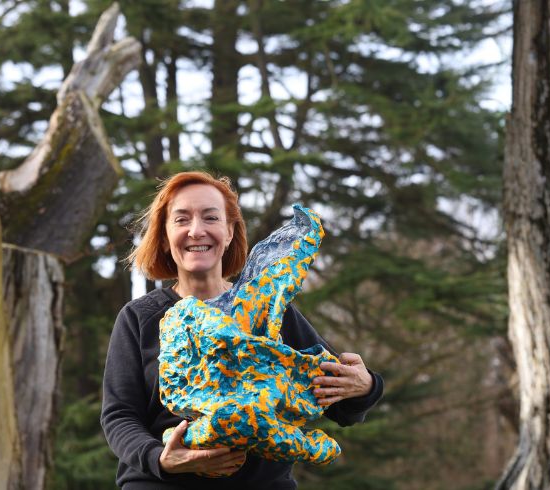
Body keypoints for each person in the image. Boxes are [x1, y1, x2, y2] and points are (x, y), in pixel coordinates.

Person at [101, 171, 384, 489]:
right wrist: (160, 459)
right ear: (165, 237)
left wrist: (367, 386)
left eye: (211, 217)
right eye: (181, 220)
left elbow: (339, 400)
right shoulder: (140, 318)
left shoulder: (268, 307)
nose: (197, 231)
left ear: (230, 231)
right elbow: (119, 415)